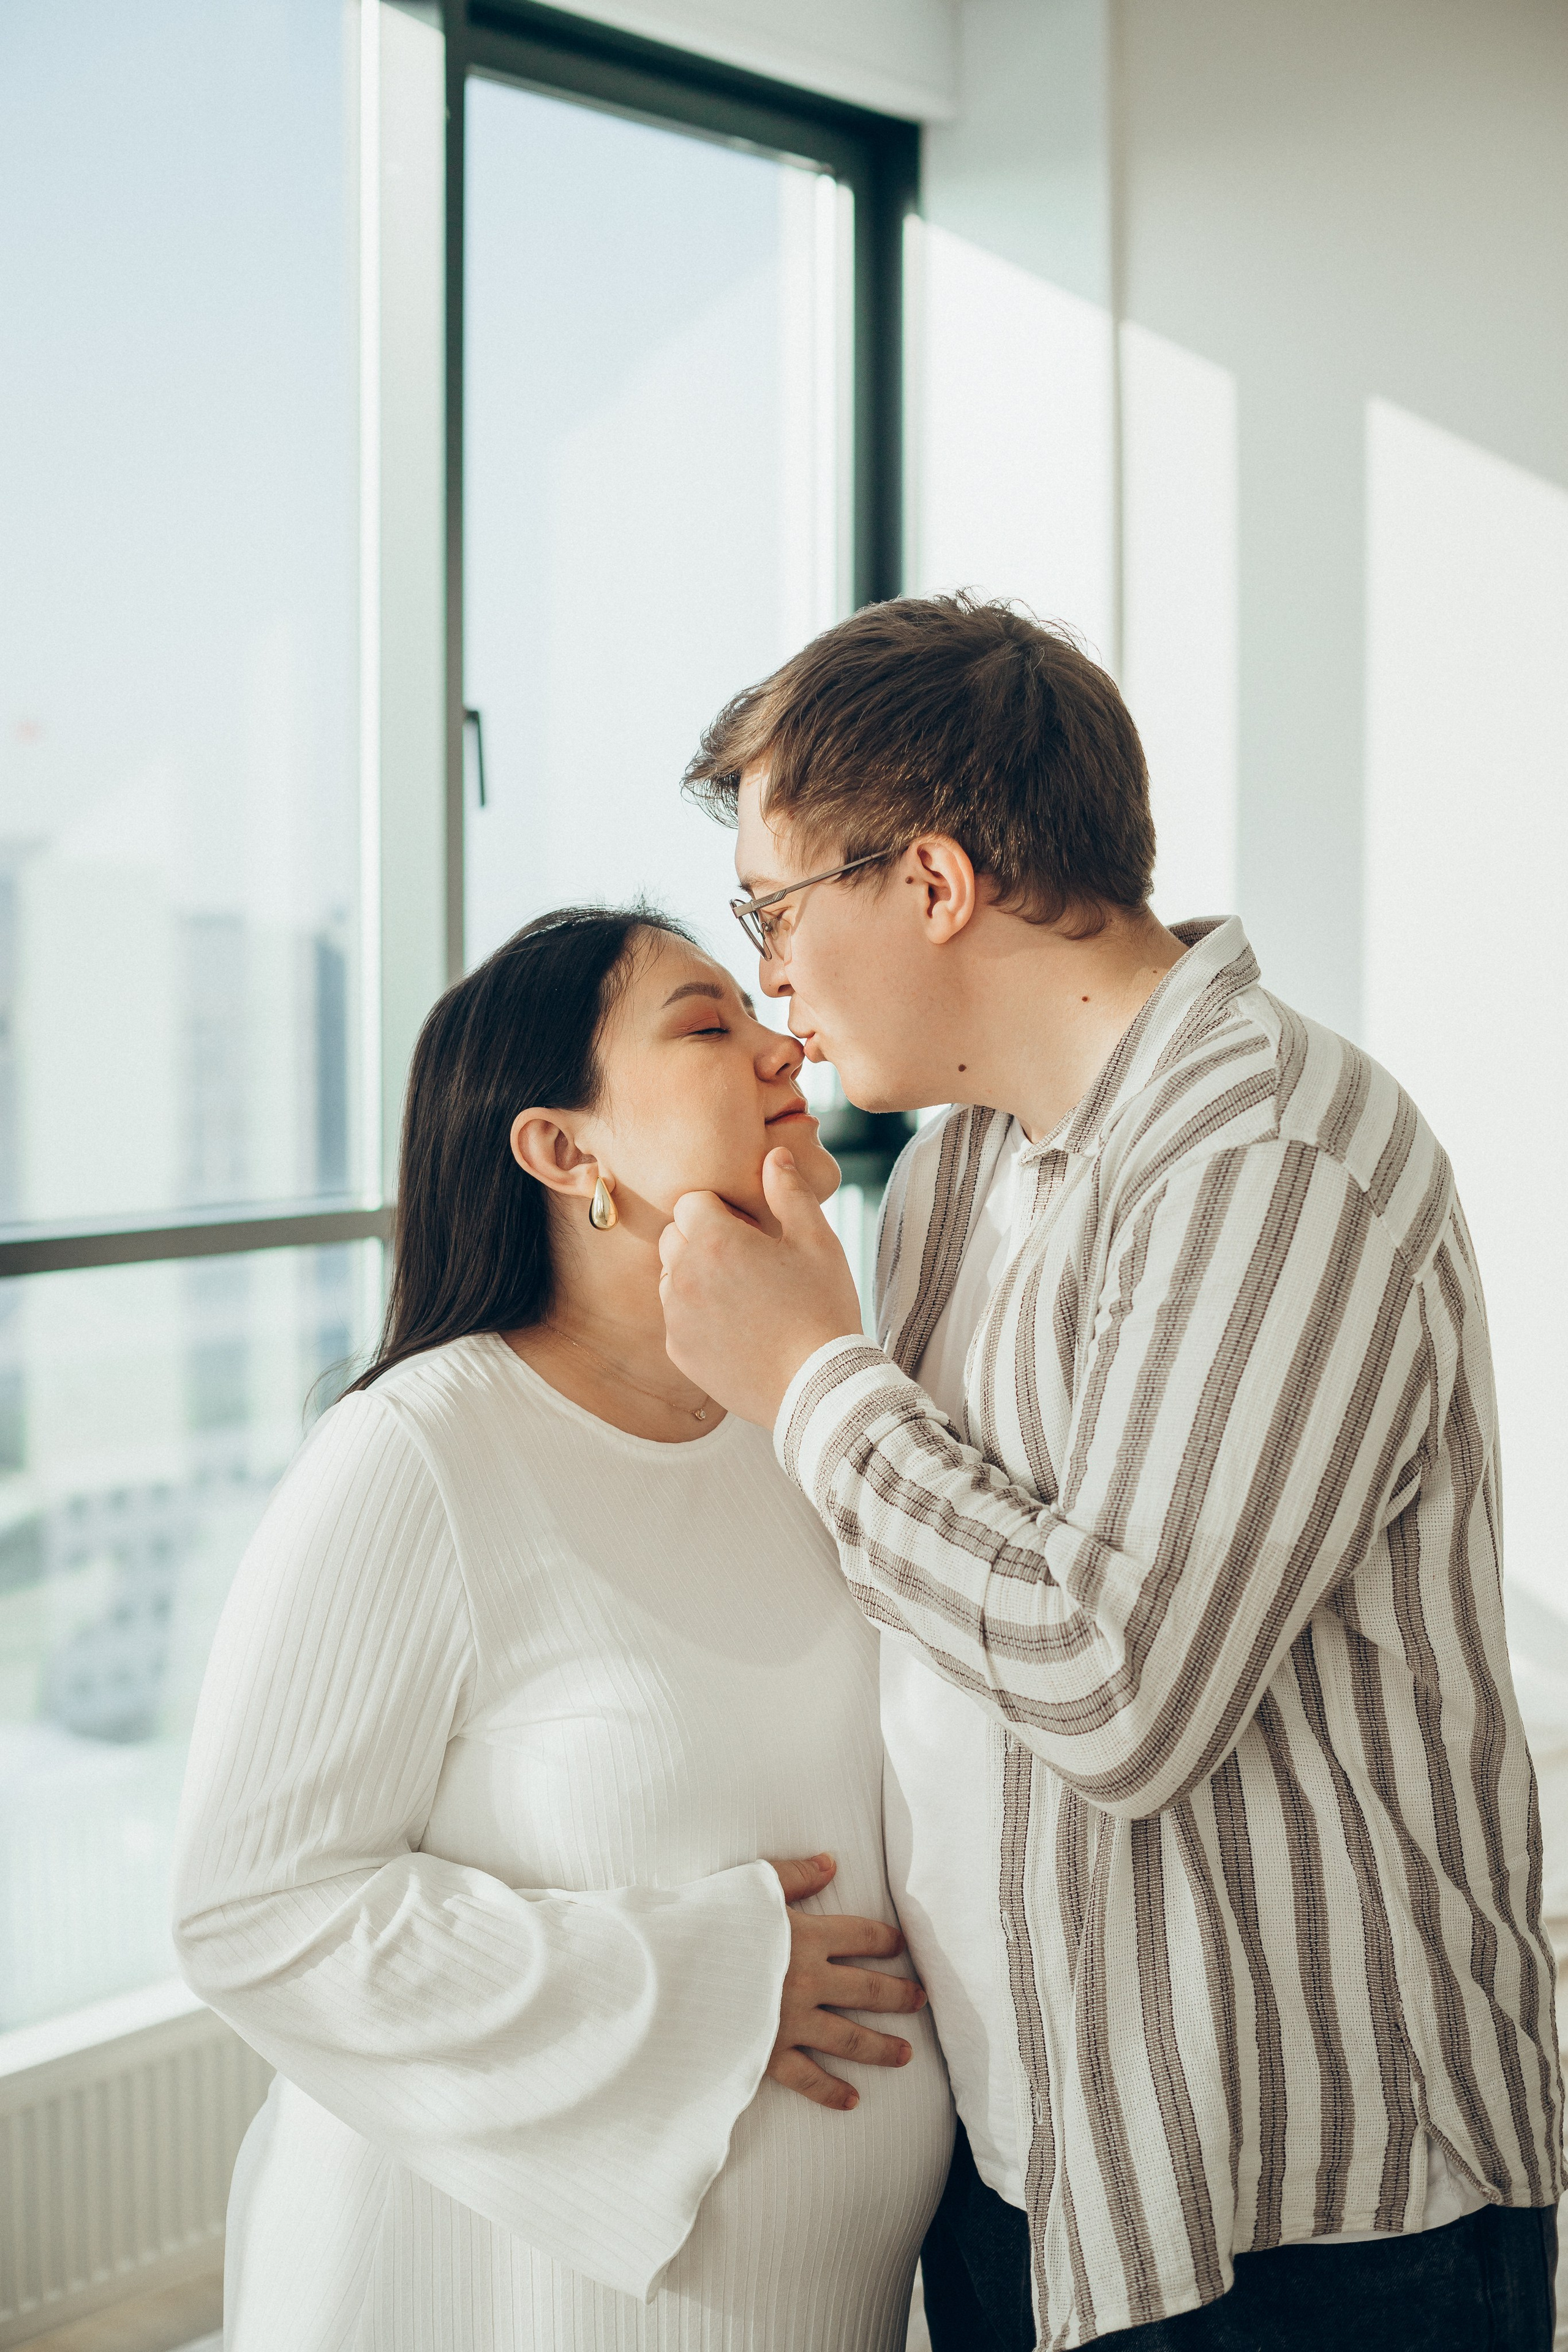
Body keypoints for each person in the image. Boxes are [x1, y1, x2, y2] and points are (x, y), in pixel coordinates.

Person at [658, 594, 1564, 2351]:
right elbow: (917, 1600)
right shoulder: (956, 1174)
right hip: (1035, 2171)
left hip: (1316, 2224)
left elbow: (1117, 1683)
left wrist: (808, 1377)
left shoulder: (1277, 1157)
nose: (769, 975)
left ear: (930, 884)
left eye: (772, 910)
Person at [171, 905, 952, 2352]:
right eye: (709, 1025)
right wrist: (711, 1978)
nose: (785, 1041)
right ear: (563, 1150)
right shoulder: (416, 1454)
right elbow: (250, 1912)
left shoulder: (802, 1420)